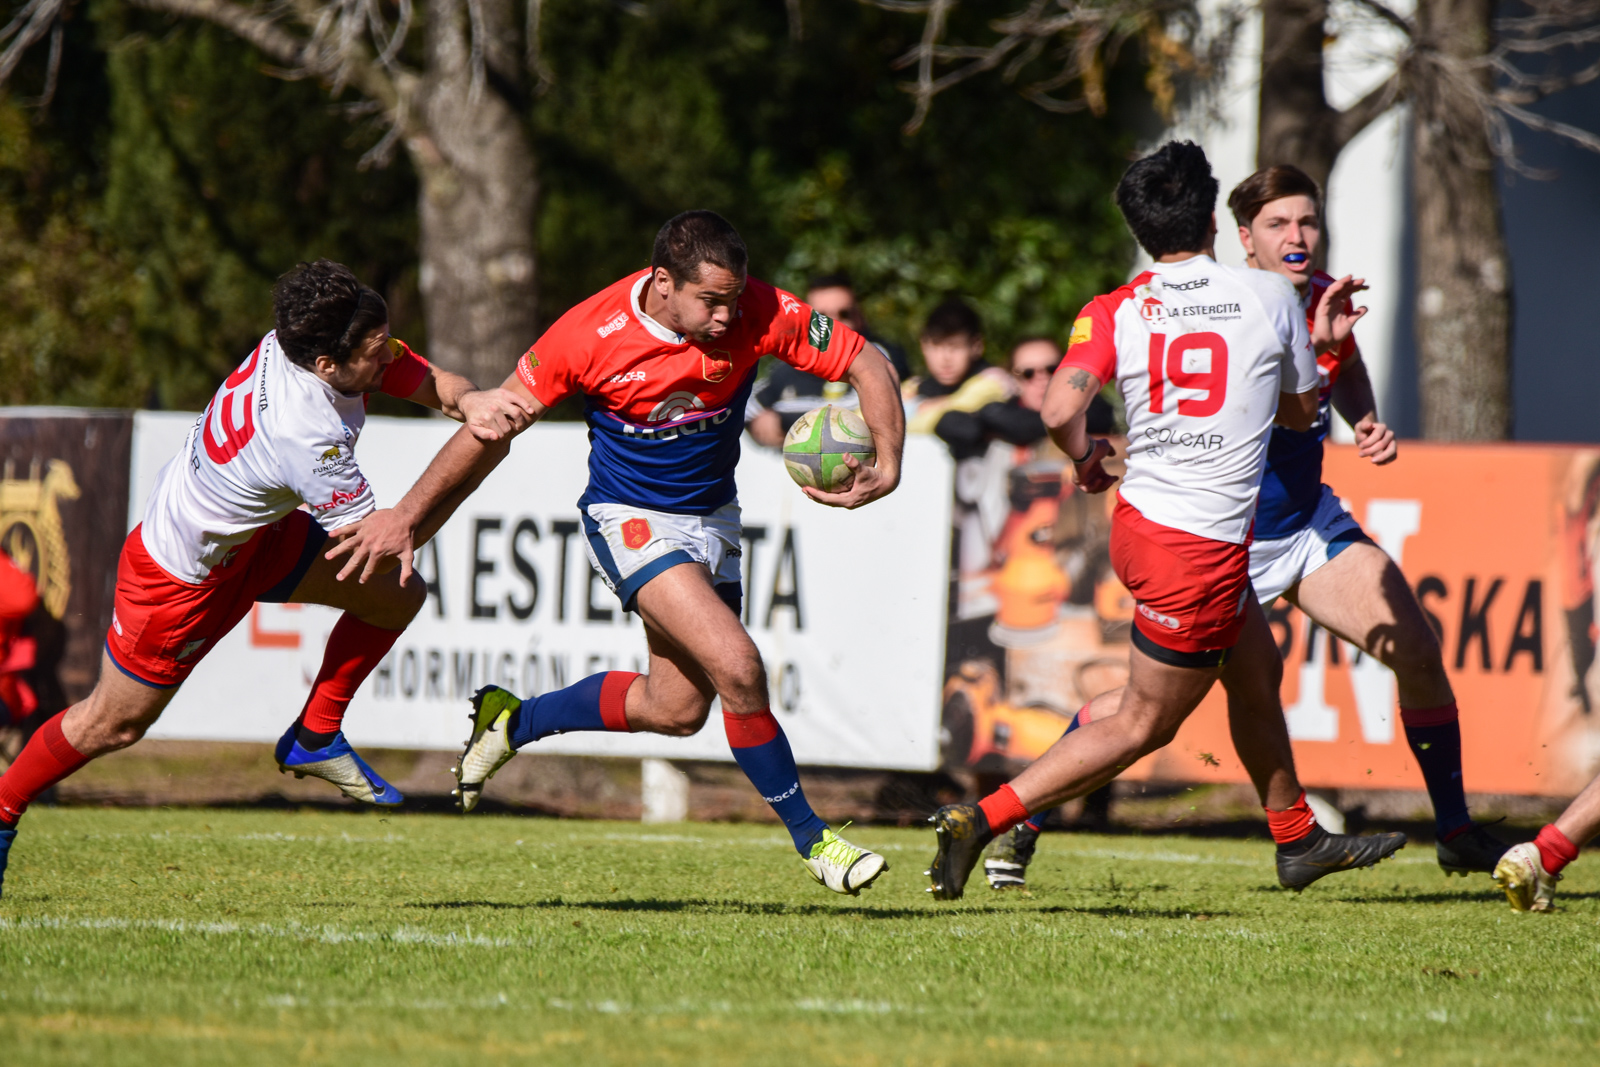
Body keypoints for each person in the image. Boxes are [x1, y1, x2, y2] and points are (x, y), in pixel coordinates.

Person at [327, 211, 907, 896]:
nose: (727, 317)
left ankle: (515, 720)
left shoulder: (760, 308)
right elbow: (491, 430)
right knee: (739, 666)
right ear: (663, 282)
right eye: (710, 301)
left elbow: (865, 359)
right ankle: (817, 841)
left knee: (676, 709)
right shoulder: (586, 335)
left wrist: (890, 461)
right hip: (628, 520)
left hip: (712, 519)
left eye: (734, 299)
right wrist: (407, 519)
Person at [984, 164, 1509, 891]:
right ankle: (1018, 821)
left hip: (1302, 523)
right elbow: (1279, 406)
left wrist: (1364, 418)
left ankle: (1453, 831)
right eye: (1278, 225)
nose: (1297, 237)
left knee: (1415, 647)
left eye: (1308, 222)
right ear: (1240, 239)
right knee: (1141, 711)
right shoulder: (1241, 303)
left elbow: (1341, 374)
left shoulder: (1315, 296)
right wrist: (1319, 355)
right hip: (1222, 539)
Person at [923, 141, 1407, 900]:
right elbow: (1305, 412)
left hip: (1141, 524)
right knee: (1144, 721)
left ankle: (1296, 836)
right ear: (1215, 218)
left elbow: (1057, 408)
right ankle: (986, 815)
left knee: (1255, 670)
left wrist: (1086, 458)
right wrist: (1320, 351)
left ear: (1142, 229)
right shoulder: (1271, 298)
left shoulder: (1116, 306)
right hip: (1203, 548)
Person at [0, 260, 533, 900]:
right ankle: (3, 808)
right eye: (374, 352)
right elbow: (390, 538)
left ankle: (315, 732)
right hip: (178, 576)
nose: (388, 358)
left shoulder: (307, 341)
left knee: (396, 598)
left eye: (388, 339)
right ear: (327, 367)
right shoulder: (306, 434)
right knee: (111, 725)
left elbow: (421, 378)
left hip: (255, 535)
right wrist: (482, 454)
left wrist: (467, 398)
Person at [745, 271, 908, 446]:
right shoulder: (787, 365)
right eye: (822, 317)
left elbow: (854, 413)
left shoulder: (879, 356)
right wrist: (758, 421)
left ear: (860, 316)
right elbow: (747, 404)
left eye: (844, 314)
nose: (834, 325)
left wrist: (781, 420)